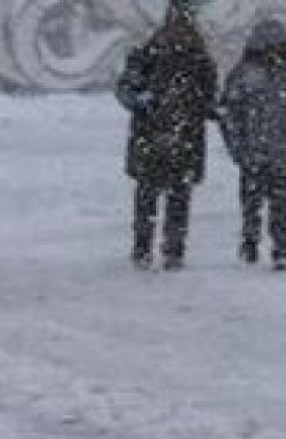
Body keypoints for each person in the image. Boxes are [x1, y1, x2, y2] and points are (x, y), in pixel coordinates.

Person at [218, 19, 286, 271]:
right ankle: (251, 243)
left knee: (278, 204)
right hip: (256, 152)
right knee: (253, 202)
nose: (272, 52)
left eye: (277, 47)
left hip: (279, 151)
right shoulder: (246, 75)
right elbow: (229, 115)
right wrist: (236, 146)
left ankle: (280, 248)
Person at [115, 8, 217, 271]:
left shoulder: (198, 60)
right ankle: (147, 250)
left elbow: (209, 98)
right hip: (164, 139)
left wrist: (211, 109)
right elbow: (125, 90)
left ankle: (169, 251)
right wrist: (140, 100)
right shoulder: (150, 56)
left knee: (172, 199)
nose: (181, 33)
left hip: (169, 139)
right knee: (155, 198)